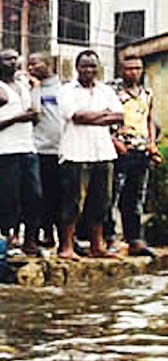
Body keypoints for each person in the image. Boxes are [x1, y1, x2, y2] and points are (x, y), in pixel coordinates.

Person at [56, 50, 123, 260]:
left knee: (101, 201)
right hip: (75, 152)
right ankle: (66, 247)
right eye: (84, 66)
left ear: (98, 68)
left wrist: (93, 116)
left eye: (93, 66)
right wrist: (104, 113)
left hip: (102, 151)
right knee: (72, 201)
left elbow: (120, 116)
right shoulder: (66, 90)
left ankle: (97, 246)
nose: (88, 70)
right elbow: (75, 116)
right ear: (77, 68)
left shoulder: (106, 91)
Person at [0, 49, 42, 255]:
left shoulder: (24, 86)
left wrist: (32, 116)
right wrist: (16, 119)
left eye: (16, 58)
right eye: (8, 59)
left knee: (34, 195)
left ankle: (30, 240)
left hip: (28, 147)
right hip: (5, 151)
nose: (13, 62)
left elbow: (32, 114)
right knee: (9, 197)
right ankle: (8, 236)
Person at [107, 55, 160, 256]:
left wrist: (152, 143)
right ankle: (110, 237)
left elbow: (149, 119)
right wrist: (115, 140)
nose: (134, 72)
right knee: (113, 195)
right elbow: (105, 119)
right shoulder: (112, 92)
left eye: (137, 68)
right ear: (121, 70)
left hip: (141, 149)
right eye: (129, 69)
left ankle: (135, 239)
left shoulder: (147, 93)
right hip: (120, 149)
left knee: (136, 196)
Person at [28, 52, 65, 247]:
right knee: (38, 196)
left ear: (48, 64)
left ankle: (64, 237)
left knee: (60, 196)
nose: (30, 68)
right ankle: (45, 233)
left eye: (35, 64)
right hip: (38, 150)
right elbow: (33, 113)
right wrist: (34, 88)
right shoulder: (32, 88)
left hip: (61, 151)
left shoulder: (63, 89)